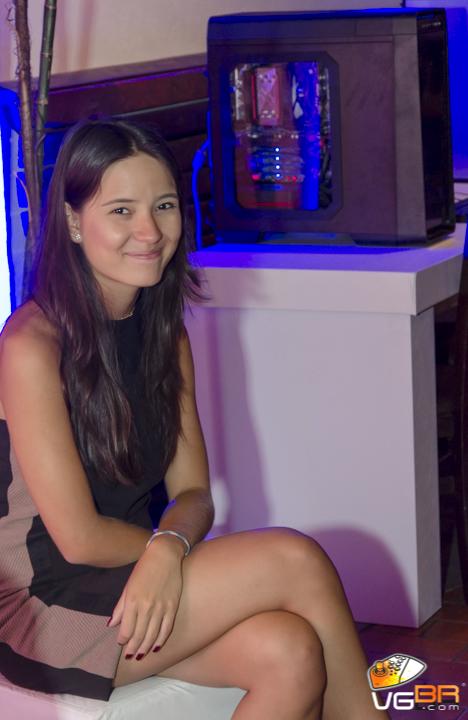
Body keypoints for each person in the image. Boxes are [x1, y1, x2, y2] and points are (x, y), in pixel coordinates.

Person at [0, 119, 388, 720]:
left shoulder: (165, 335)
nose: (150, 231)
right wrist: (163, 549)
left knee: (289, 652)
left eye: (163, 206)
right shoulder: (31, 345)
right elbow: (77, 537)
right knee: (295, 559)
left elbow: (193, 494)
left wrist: (169, 546)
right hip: (41, 608)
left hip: (130, 574)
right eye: (122, 211)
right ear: (74, 223)